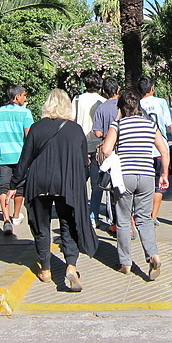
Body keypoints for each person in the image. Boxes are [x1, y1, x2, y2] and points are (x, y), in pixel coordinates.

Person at [10, 89, 98, 291]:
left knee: (42, 226)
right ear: (67, 105)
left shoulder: (37, 128)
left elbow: (24, 161)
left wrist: (13, 185)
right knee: (68, 224)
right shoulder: (75, 130)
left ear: (47, 104)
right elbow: (84, 163)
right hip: (66, 184)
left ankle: (46, 269)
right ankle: (71, 266)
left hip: (39, 183)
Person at [101, 89, 169, 280]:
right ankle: (153, 255)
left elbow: (106, 150)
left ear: (121, 107)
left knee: (123, 219)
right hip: (147, 176)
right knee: (145, 218)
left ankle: (125, 262)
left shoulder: (118, 124)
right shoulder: (150, 124)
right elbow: (164, 151)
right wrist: (163, 174)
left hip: (124, 177)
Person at [0, 85, 34, 235]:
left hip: (3, 155)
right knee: (20, 186)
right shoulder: (25, 113)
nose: (25, 98)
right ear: (17, 97)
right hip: (21, 156)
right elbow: (29, 135)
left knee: (3, 186)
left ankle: (6, 220)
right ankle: (16, 216)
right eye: (24, 95)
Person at [137, 75, 172, 226]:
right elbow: (169, 125)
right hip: (160, 151)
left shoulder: (136, 105)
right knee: (160, 183)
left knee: (143, 184)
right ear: (152, 88)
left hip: (142, 151)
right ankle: (153, 216)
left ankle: (140, 214)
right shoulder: (161, 103)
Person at [71, 72, 105, 228]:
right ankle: (93, 216)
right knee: (96, 184)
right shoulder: (102, 101)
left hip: (80, 145)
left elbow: (71, 120)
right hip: (98, 146)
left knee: (78, 182)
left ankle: (77, 212)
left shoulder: (77, 100)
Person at [92, 76, 120, 228]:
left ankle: (112, 221)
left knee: (109, 184)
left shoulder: (101, 108)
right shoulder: (125, 106)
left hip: (108, 151)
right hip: (124, 148)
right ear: (118, 89)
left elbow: (97, 132)